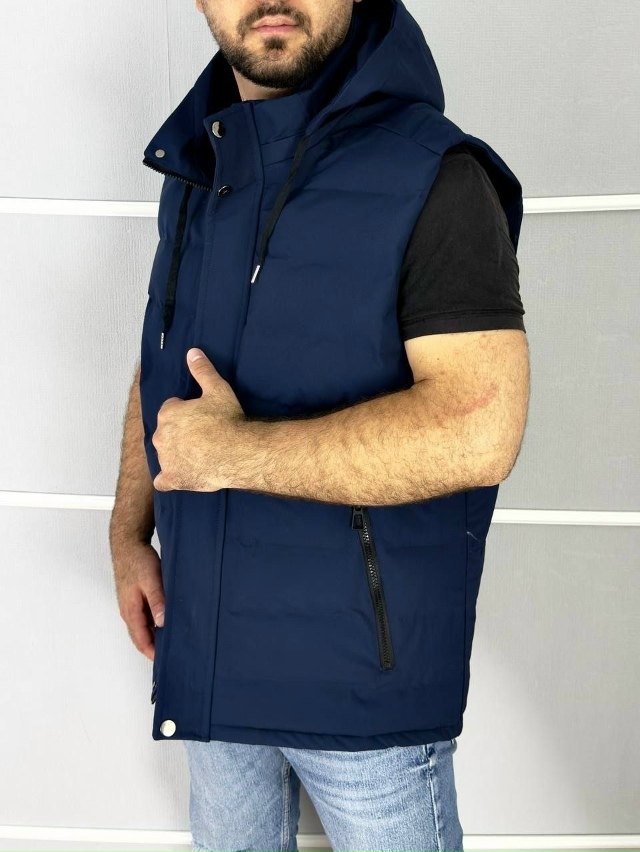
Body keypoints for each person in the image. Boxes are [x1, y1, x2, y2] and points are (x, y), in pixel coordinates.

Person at [109, 0, 530, 849]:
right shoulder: (199, 166)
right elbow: (167, 358)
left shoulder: (435, 173)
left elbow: (479, 430)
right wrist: (128, 529)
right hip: (208, 657)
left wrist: (233, 454)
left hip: (362, 691)